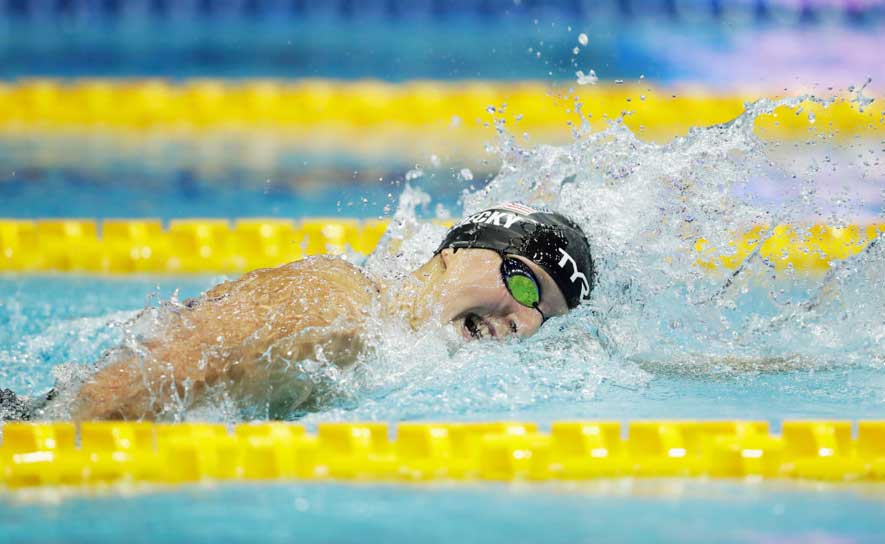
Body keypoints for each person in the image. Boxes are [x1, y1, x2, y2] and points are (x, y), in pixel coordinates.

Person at [1, 202, 594, 421]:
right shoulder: (338, 302)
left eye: (545, 314)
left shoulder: (391, 351)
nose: (522, 319)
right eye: (520, 280)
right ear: (456, 251)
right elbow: (141, 382)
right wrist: (43, 445)